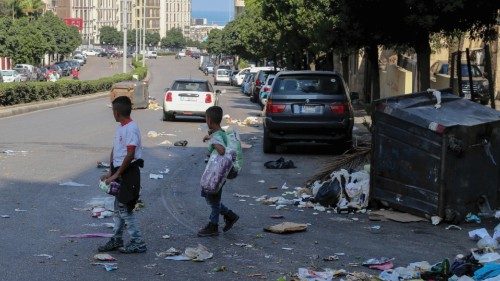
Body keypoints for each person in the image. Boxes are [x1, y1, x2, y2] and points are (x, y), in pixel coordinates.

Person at [98, 96, 147, 254]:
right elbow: (116, 150)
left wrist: (117, 173)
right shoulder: (121, 127)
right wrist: (111, 172)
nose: (113, 113)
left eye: (113, 111)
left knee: (125, 209)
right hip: (120, 172)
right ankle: (117, 239)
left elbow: (130, 154)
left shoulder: (131, 128)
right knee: (118, 209)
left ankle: (138, 242)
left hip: (129, 174)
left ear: (117, 112)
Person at [198, 106, 239, 237]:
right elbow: (218, 135)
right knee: (209, 196)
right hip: (214, 172)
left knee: (214, 199)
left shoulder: (217, 136)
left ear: (209, 120)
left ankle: (213, 225)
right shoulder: (219, 132)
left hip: (218, 174)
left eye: (206, 119)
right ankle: (229, 215)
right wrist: (210, 136)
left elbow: (221, 150)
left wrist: (212, 140)